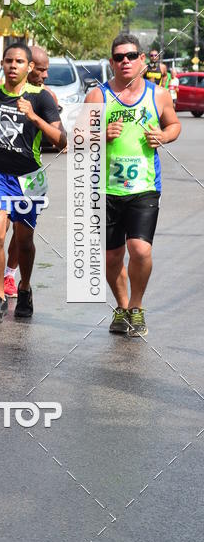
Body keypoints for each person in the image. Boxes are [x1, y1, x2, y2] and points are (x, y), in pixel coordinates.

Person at [85, 33, 180, 337]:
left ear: (142, 59)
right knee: (112, 257)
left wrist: (164, 137)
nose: (124, 61)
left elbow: (174, 124)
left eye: (130, 56)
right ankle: (123, 307)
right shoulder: (98, 96)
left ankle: (136, 308)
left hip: (144, 187)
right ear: (111, 62)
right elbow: (76, 138)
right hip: (106, 190)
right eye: (118, 57)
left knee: (139, 249)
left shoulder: (158, 94)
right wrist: (100, 133)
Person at [0, 42, 66, 322]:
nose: (13, 66)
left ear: (29, 67)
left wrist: (34, 117)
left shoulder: (42, 98)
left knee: (24, 242)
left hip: (29, 179)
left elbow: (62, 142)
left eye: (19, 62)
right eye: (8, 61)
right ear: (2, 64)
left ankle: (24, 288)